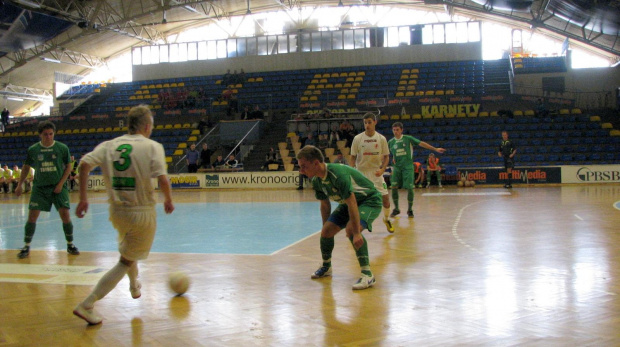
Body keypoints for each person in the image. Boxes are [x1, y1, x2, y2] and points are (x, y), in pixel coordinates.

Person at [72, 104, 175, 325]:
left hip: (117, 212)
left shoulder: (109, 145)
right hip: (142, 213)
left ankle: (134, 285)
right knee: (125, 260)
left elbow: (83, 165)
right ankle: (88, 304)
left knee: (128, 249)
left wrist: (83, 198)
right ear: (147, 126)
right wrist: (168, 199)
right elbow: (163, 179)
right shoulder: (152, 146)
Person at [297, 145, 382, 290]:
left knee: (350, 230)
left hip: (369, 200)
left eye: (304, 166)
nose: (301, 171)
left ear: (316, 163)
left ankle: (368, 274)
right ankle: (326, 266)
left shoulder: (338, 175)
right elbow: (325, 205)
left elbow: (352, 202)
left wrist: (356, 233)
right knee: (326, 232)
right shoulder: (317, 180)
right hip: (349, 202)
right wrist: (326, 225)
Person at [14, 120, 79, 259]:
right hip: (40, 188)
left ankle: (70, 244)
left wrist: (61, 184)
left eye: (51, 134)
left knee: (65, 216)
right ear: (40, 135)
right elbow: (26, 167)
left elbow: (68, 167)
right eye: (45, 134)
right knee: (32, 217)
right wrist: (19, 184)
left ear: (54, 134)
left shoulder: (62, 148)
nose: (48, 137)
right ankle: (26, 246)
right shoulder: (33, 150)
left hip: (58, 187)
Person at [388, 122, 445, 218]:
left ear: (401, 130)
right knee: (393, 187)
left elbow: (421, 143)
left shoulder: (408, 139)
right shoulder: (390, 142)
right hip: (397, 168)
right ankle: (396, 209)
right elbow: (386, 154)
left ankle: (410, 210)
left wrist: (435, 149)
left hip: (408, 167)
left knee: (410, 188)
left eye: (397, 130)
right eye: (394, 130)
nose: (395, 132)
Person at [350, 113, 394, 233]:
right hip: (361, 173)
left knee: (385, 199)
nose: (367, 125)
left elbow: (386, 157)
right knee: (355, 200)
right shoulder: (358, 139)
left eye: (369, 122)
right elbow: (352, 157)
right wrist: (351, 170)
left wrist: (382, 169)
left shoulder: (381, 139)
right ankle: (355, 223)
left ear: (375, 122)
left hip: (376, 173)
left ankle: (386, 219)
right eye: (365, 123)